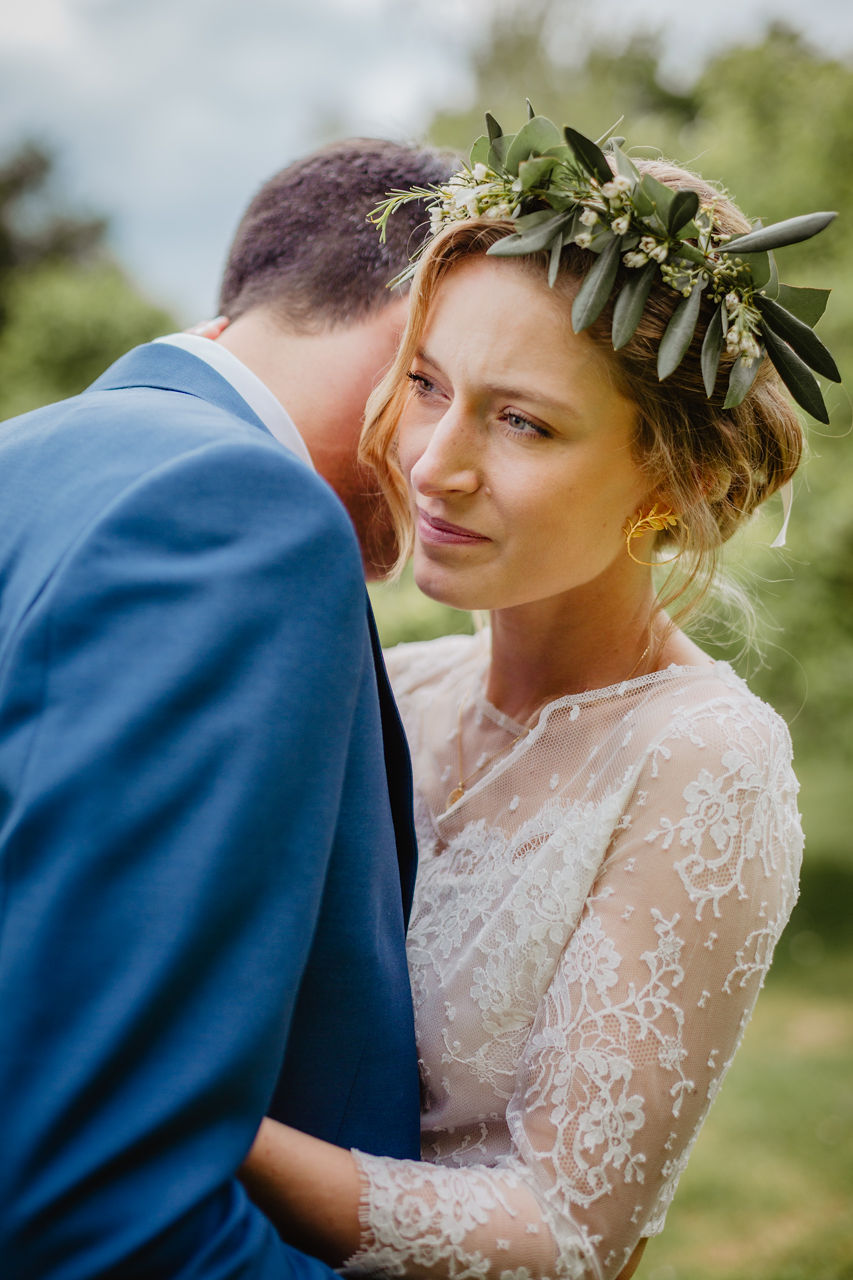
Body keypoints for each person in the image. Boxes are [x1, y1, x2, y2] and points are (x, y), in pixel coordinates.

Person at [236, 113, 838, 1280]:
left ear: (670, 477)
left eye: (522, 420)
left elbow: (564, 1234)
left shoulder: (702, 759)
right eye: (426, 383)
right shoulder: (394, 687)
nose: (434, 464)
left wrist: (193, 1126)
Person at [0, 137, 455, 1279]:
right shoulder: (242, 508)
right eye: (454, 375)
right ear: (413, 330)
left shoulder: (30, 455)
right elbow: (103, 1210)